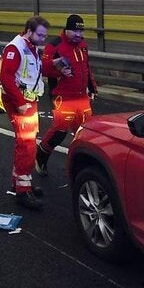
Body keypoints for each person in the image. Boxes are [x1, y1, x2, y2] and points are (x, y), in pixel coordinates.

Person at [36, 14, 97, 176]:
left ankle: (84, 166)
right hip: (62, 97)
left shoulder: (83, 45)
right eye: (75, 31)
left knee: (86, 133)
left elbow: (86, 68)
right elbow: (42, 68)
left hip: (82, 98)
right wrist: (58, 69)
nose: (79, 34)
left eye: (81, 31)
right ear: (67, 30)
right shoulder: (54, 46)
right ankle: (41, 156)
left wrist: (92, 87)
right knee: (59, 132)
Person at [0, 17, 50, 210]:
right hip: (21, 102)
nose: (43, 39)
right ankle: (22, 191)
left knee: (25, 142)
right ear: (28, 30)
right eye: (40, 35)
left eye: (45, 36)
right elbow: (6, 78)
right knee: (27, 144)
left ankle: (21, 182)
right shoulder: (16, 48)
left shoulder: (30, 47)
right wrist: (20, 103)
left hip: (28, 100)